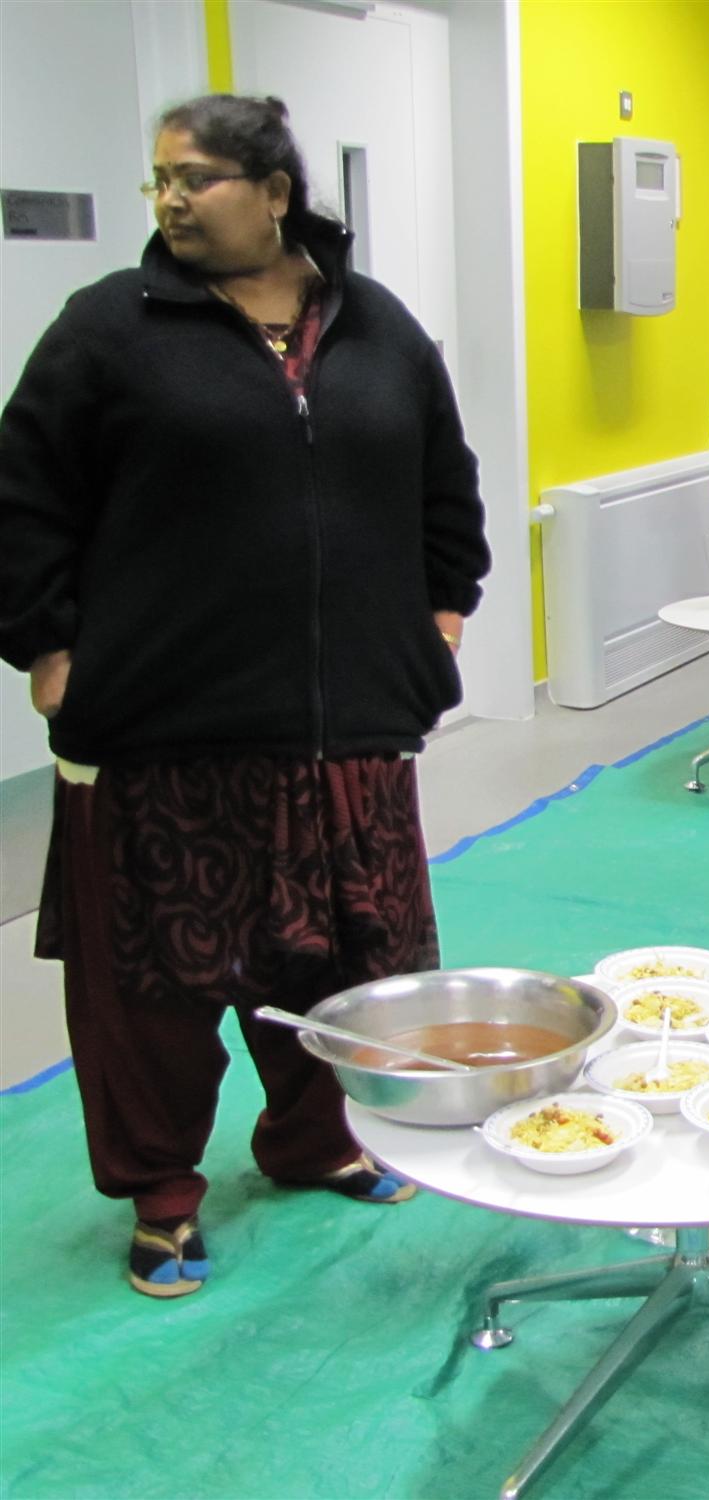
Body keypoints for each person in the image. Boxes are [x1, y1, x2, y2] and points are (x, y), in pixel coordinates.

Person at [0, 94, 490, 1297]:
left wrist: (439, 619)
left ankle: (316, 1141)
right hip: (170, 732)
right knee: (159, 988)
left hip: (347, 731)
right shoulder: (110, 330)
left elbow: (444, 483)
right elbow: (22, 499)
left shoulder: (376, 328)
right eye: (158, 179)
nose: (171, 199)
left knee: (345, 961)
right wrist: (48, 652)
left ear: (276, 194)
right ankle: (163, 1192)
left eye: (198, 177)